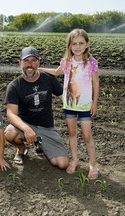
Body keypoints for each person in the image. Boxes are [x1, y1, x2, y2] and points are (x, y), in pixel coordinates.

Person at [39, 29, 99, 180]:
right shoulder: (66, 61)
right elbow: (56, 72)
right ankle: (74, 160)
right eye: (74, 44)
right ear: (70, 46)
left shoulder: (91, 62)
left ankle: (92, 164)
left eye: (81, 43)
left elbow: (96, 83)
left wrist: (94, 103)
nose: (77, 47)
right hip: (70, 105)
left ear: (86, 45)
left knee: (86, 135)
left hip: (85, 105)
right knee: (72, 133)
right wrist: (39, 69)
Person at [4, 46, 69, 170]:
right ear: (20, 63)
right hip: (25, 125)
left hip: (46, 127)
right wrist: (26, 129)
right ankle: (21, 149)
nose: (30, 65)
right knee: (10, 133)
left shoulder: (48, 79)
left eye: (34, 60)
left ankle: (40, 142)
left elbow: (65, 98)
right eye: (26, 61)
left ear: (39, 62)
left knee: (62, 164)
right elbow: (11, 114)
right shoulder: (14, 86)